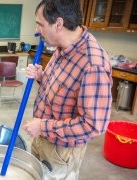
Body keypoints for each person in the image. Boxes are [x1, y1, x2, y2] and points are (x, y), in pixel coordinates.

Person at [23, 0, 112, 179]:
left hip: (61, 151)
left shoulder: (93, 65)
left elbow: (93, 125)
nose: (36, 30)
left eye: (40, 24)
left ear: (59, 24)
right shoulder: (62, 47)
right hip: (42, 138)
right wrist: (42, 77)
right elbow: (61, 87)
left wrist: (43, 126)